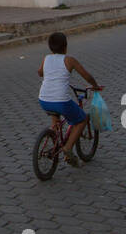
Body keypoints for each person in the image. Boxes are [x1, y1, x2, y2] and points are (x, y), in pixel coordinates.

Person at [37, 31, 100, 167]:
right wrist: (95, 86)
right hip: (61, 101)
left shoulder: (46, 58)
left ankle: (53, 141)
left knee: (55, 121)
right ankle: (67, 148)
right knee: (82, 119)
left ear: (50, 47)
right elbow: (87, 76)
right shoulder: (69, 60)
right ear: (65, 46)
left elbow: (40, 72)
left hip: (43, 99)